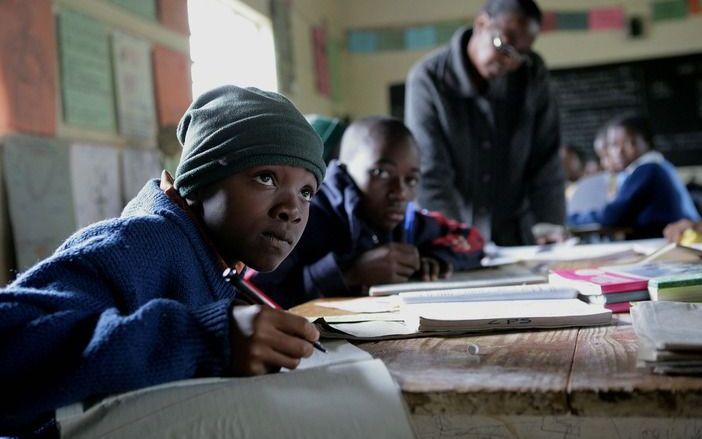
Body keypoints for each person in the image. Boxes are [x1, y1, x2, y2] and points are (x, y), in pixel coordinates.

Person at [0, 85, 327, 436]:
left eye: (306, 192)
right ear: (201, 182)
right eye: (266, 177)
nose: (292, 209)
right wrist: (206, 339)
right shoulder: (137, 245)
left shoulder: (217, 262)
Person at [250, 116, 485, 309]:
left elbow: (472, 238)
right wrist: (348, 274)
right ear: (344, 169)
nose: (400, 192)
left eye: (411, 179)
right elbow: (254, 295)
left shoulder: (407, 221)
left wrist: (435, 259)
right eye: (381, 173)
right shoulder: (304, 215)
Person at [404, 0, 565, 246]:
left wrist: (549, 225)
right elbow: (431, 173)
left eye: (521, 54)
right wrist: (453, 237)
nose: (510, 62)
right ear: (481, 23)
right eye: (505, 46)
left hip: (518, 235)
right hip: (455, 231)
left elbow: (546, 159)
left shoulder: (533, 74)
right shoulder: (428, 79)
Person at [568, 115, 700, 238]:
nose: (620, 151)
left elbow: (612, 216)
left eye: (631, 143)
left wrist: (570, 219)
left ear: (647, 143)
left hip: (674, 241)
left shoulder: (648, 169)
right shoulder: (659, 165)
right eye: (614, 145)